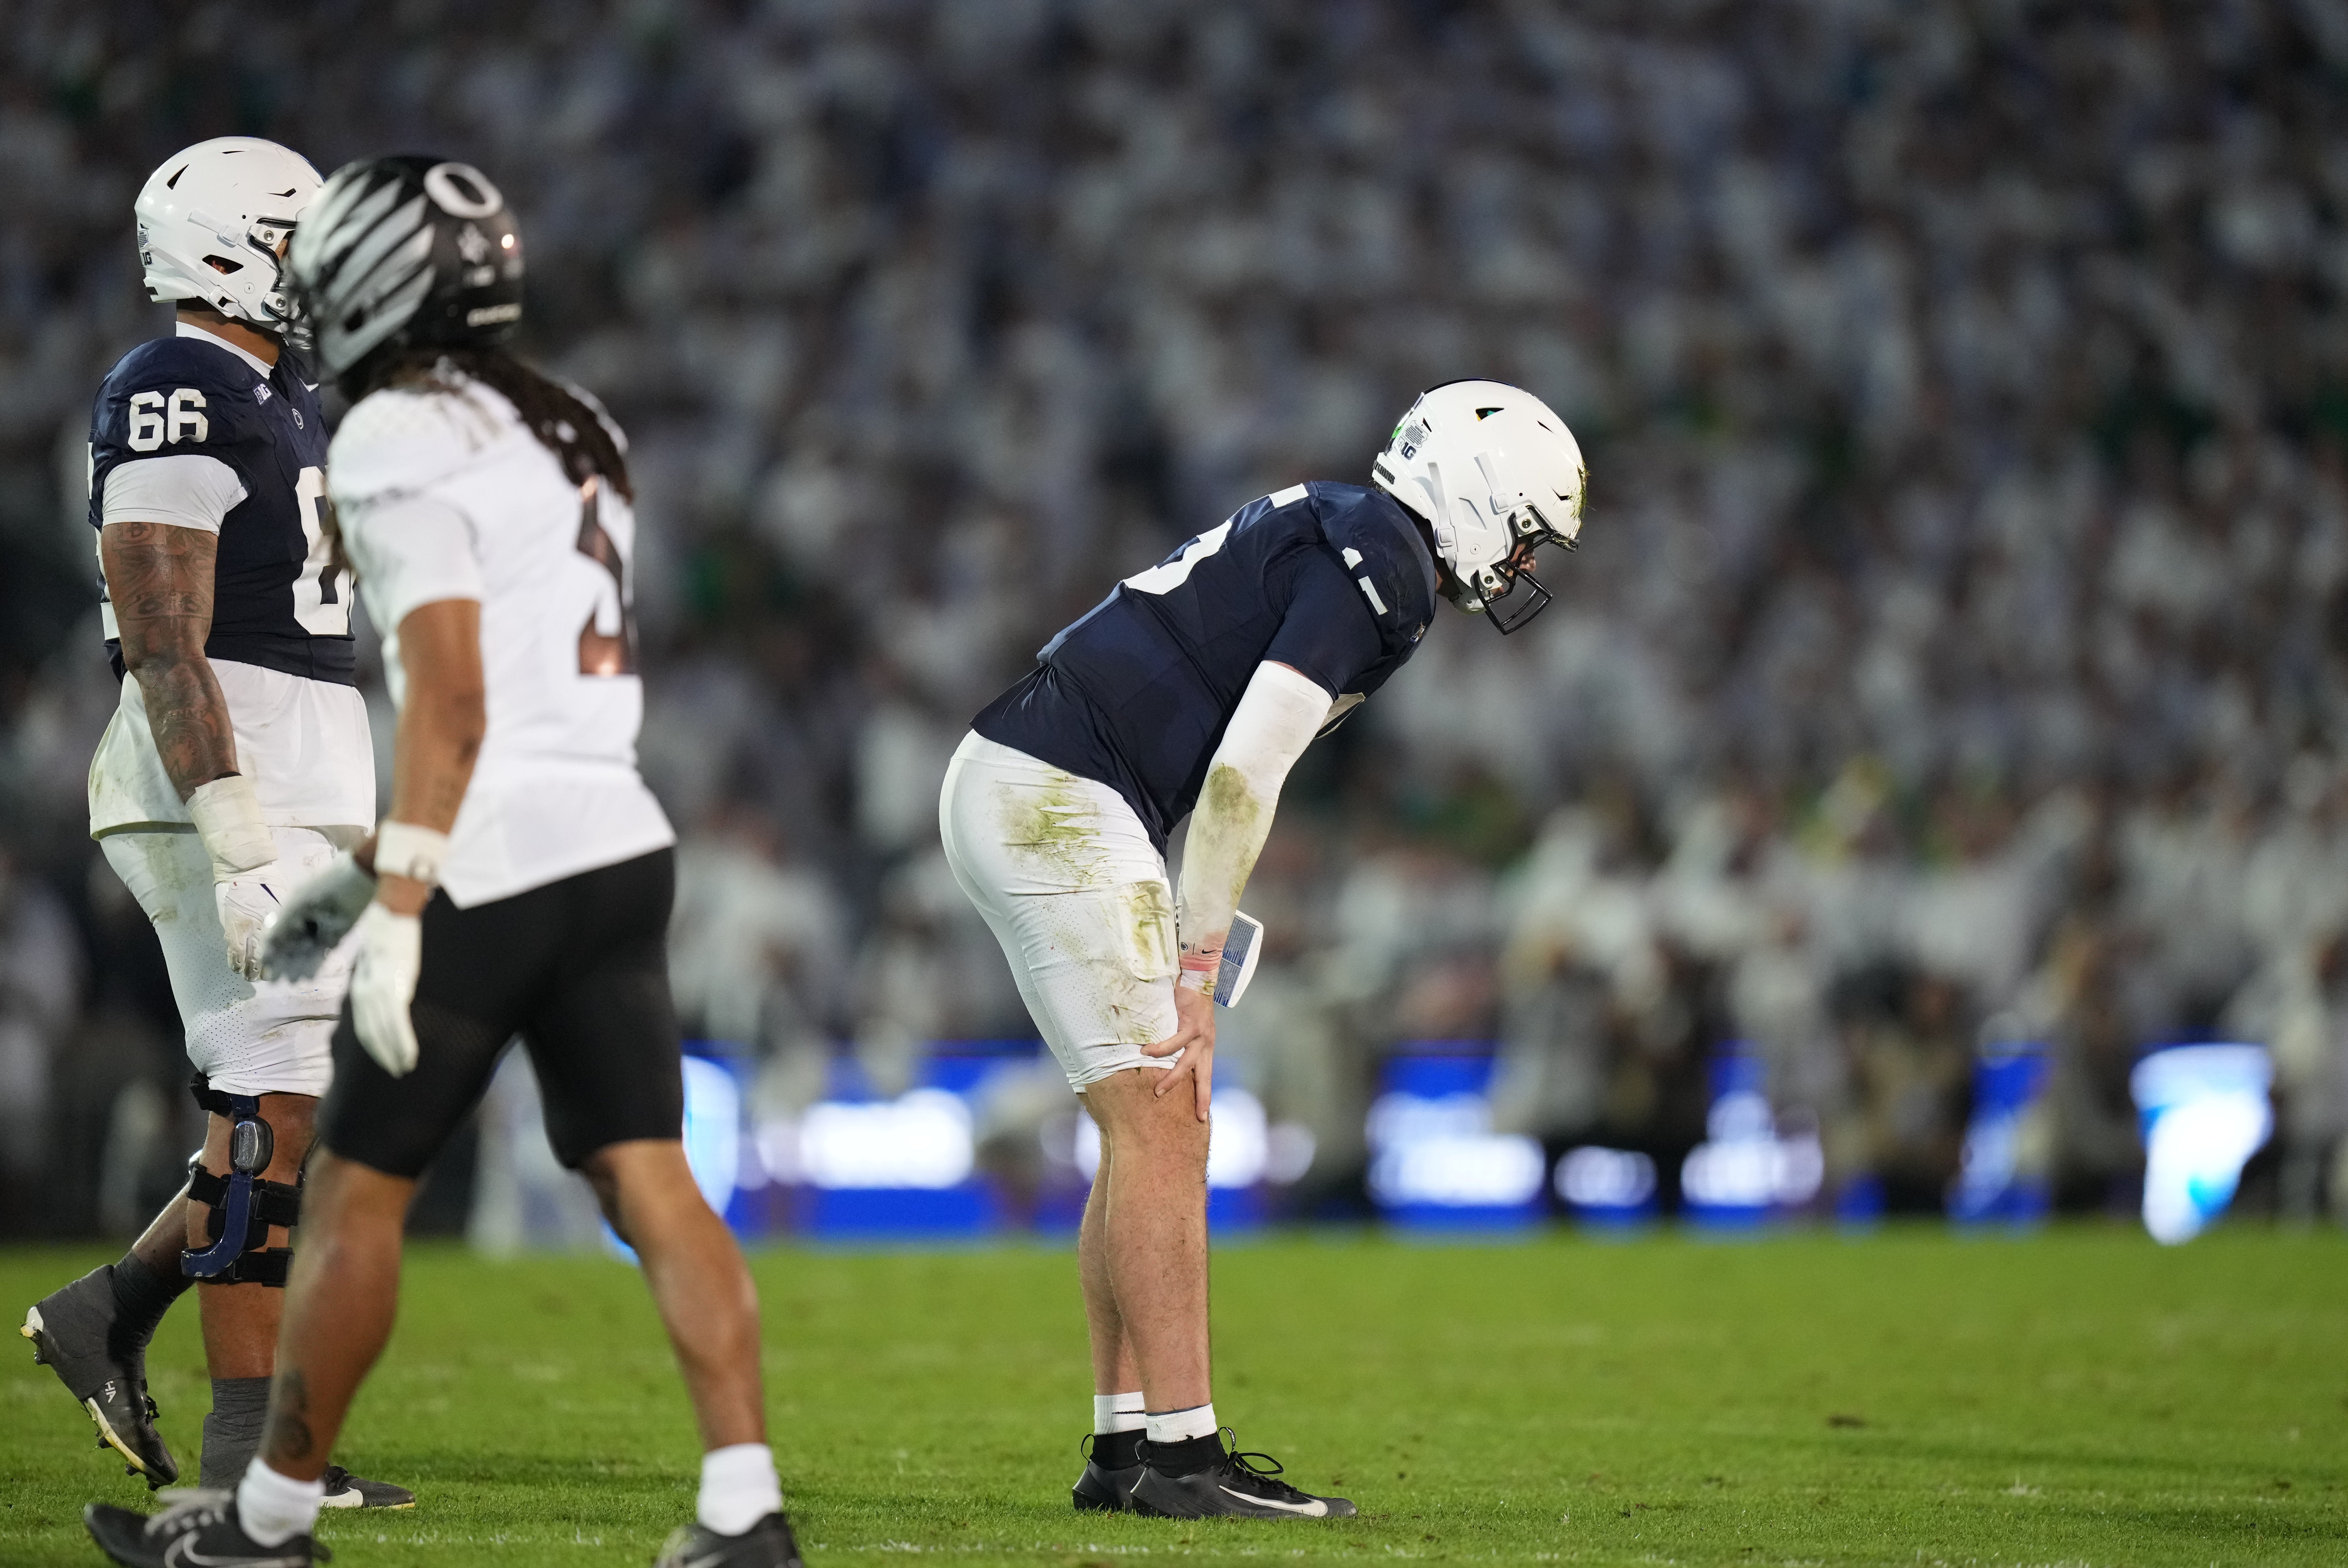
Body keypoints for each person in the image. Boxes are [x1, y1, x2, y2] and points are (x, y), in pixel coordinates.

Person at [81, 153, 801, 1568]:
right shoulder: (579, 419)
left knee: (350, 1183)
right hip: (618, 831)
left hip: (485, 839)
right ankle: (743, 1508)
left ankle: (266, 1516)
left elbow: (459, 701)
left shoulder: (394, 432)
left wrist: (398, 891)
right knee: (649, 1177)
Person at [939, 380, 1587, 1518]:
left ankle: (1128, 1445)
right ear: (1480, 496)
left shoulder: (1355, 534)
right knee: (1166, 1116)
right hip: (1057, 791)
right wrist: (1197, 974)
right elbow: (1245, 771)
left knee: (1141, 1124)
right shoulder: (1380, 558)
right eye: (1526, 531)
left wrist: (1201, 952)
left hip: (1039, 783)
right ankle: (1182, 1460)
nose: (1525, 563)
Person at [22, 136, 408, 1510]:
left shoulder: (273, 389)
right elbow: (162, 639)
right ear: (232, 250)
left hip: (294, 750)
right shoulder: (173, 384)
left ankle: (112, 1314)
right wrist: (238, 832)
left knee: (294, 1103)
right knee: (271, 1095)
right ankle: (253, 1456)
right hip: (218, 768)